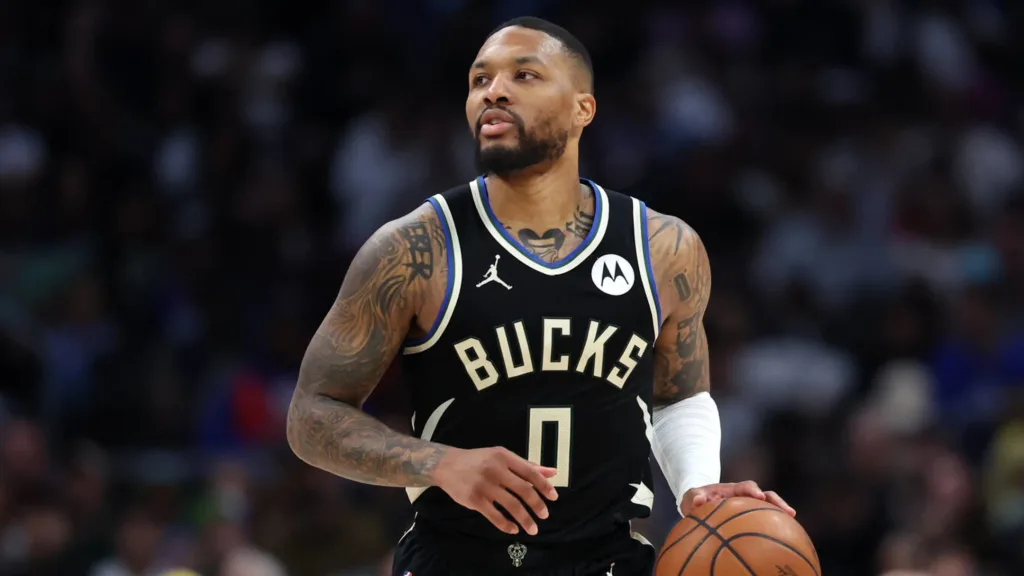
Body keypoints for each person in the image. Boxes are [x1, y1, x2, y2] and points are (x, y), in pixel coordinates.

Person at [286, 16, 795, 575]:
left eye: (524, 75)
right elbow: (312, 414)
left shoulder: (663, 246)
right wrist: (438, 463)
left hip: (606, 561)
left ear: (583, 109)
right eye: (480, 80)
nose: (494, 91)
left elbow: (678, 397)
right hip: (455, 560)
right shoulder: (414, 248)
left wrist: (698, 485)